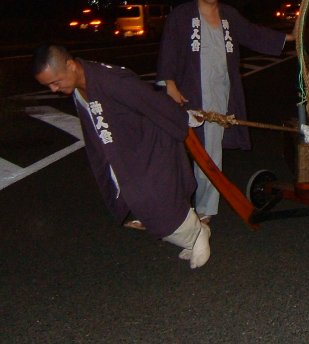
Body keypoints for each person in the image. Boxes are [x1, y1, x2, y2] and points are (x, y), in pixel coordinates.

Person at [33, 44, 212, 269]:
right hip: (125, 149)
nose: (53, 89)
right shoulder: (81, 85)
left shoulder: (112, 81)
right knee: (139, 200)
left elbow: (151, 100)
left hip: (150, 143)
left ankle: (197, 234)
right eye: (48, 85)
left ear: (70, 65)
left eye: (55, 81)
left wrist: (183, 118)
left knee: (153, 198)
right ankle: (191, 236)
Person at [157, 0, 294, 224]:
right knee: (179, 152)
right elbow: (169, 48)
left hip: (220, 94)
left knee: (209, 152)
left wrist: (289, 37)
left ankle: (205, 209)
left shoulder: (229, 15)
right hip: (189, 93)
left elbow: (254, 34)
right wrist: (169, 83)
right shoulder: (181, 16)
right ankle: (171, 207)